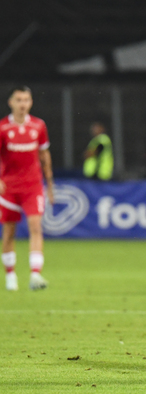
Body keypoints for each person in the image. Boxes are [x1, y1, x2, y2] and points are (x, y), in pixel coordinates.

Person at [0, 86, 54, 291]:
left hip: (33, 186)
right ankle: (10, 275)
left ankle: (35, 275)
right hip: (9, 188)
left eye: (26, 100)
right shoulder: (3, 128)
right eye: (18, 100)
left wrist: (50, 184)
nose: (22, 104)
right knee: (9, 232)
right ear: (11, 102)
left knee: (36, 227)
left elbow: (44, 155)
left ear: (30, 102)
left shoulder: (39, 126)